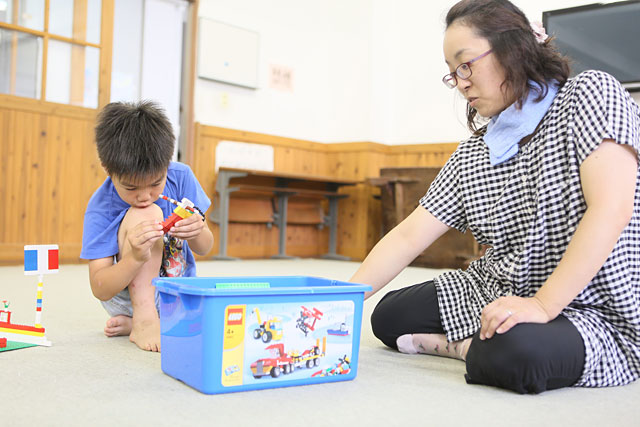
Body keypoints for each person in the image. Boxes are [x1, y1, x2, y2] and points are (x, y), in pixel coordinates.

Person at [350, 0, 640, 394]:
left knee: (513, 353)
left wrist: (542, 306)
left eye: (466, 65)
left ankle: (466, 347)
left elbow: (612, 208)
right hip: (498, 288)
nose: (461, 83)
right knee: (387, 316)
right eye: (453, 73)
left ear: (512, 49)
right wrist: (343, 301)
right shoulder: (475, 150)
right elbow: (408, 236)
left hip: (594, 304)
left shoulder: (591, 93)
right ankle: (480, 342)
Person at [81, 101, 214, 352]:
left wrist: (197, 231)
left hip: (176, 295)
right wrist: (134, 258)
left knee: (215, 316)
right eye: (131, 187)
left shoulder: (181, 177)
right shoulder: (101, 207)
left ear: (167, 164)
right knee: (147, 212)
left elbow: (205, 247)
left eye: (155, 183)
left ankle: (140, 322)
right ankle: (143, 318)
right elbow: (100, 287)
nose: (144, 195)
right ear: (107, 169)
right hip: (127, 300)